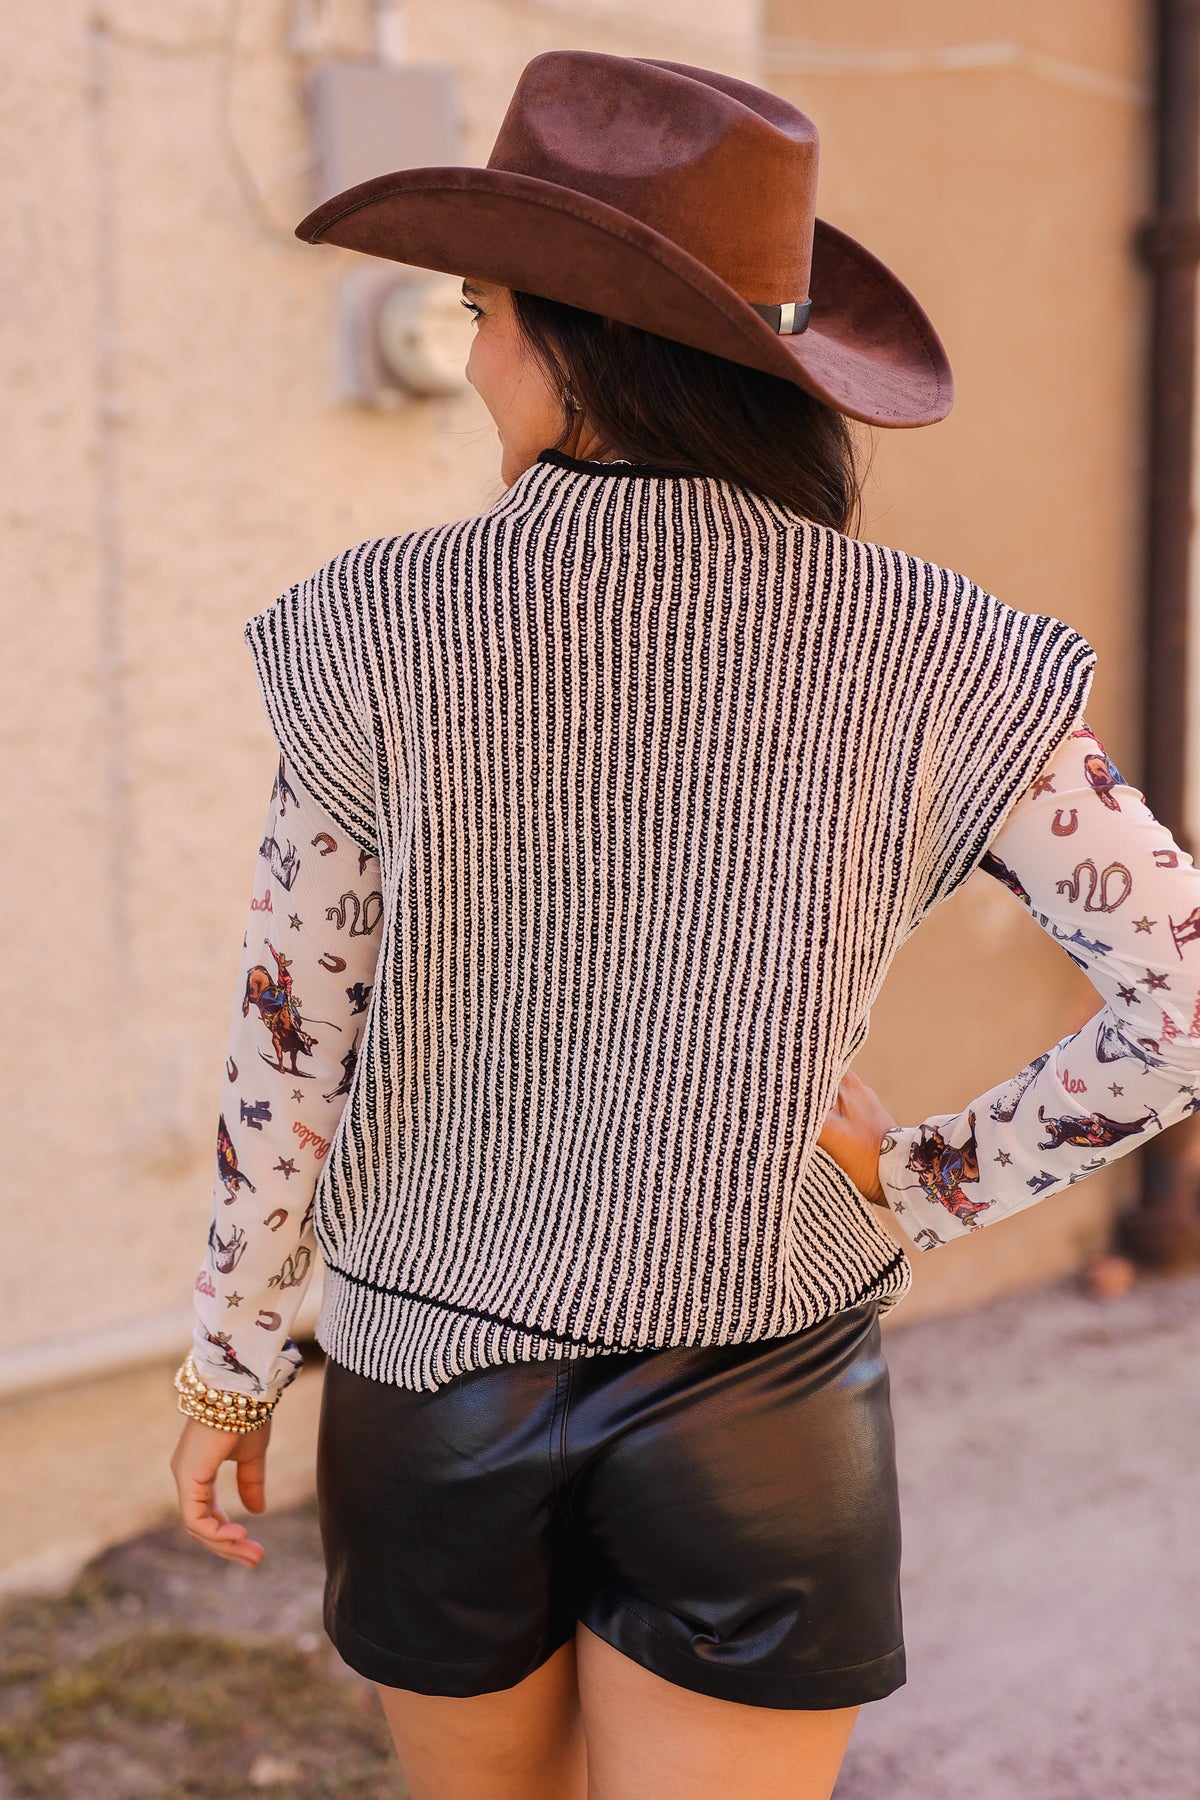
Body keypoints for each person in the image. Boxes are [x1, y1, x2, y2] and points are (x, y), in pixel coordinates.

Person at [169, 49, 1200, 1800]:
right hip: (758, 1398)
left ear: (574, 339)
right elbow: (1180, 1001)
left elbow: (295, 1037)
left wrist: (232, 1363)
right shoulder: (942, 649)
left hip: (434, 1379)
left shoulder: (372, 627)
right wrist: (937, 1175)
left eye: (489, 311)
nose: (475, 355)